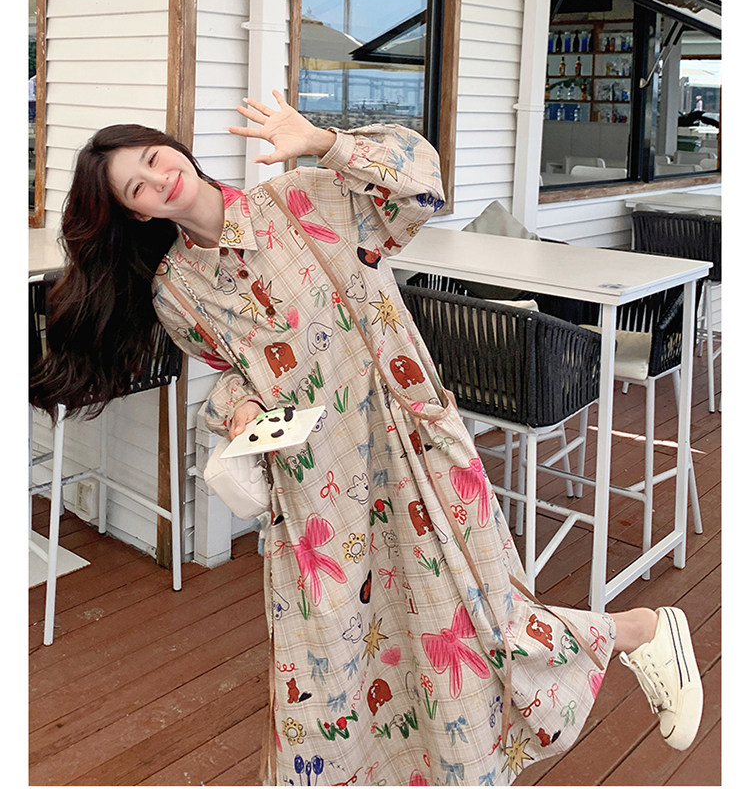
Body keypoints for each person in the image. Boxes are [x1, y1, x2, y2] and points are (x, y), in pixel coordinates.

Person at [32, 92, 703, 785]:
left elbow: (422, 185)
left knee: (472, 619)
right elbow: (237, 369)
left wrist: (324, 141)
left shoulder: (303, 196)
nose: (158, 177)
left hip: (411, 441)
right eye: (137, 187)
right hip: (314, 480)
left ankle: (639, 632)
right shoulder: (175, 291)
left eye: (154, 157)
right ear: (138, 214)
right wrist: (235, 410)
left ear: (176, 148)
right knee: (327, 658)